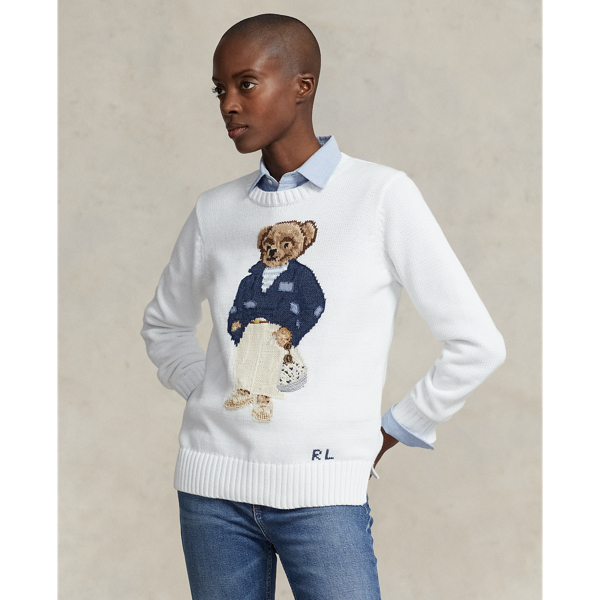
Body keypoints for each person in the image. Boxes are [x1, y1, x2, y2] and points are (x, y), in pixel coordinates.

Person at [141, 13, 506, 600]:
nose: (228, 104)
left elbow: (477, 344)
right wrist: (210, 388)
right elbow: (164, 325)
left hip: (323, 494)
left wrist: (393, 431)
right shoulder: (216, 210)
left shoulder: (380, 196)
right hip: (211, 493)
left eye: (246, 84)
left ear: (302, 86)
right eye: (220, 90)